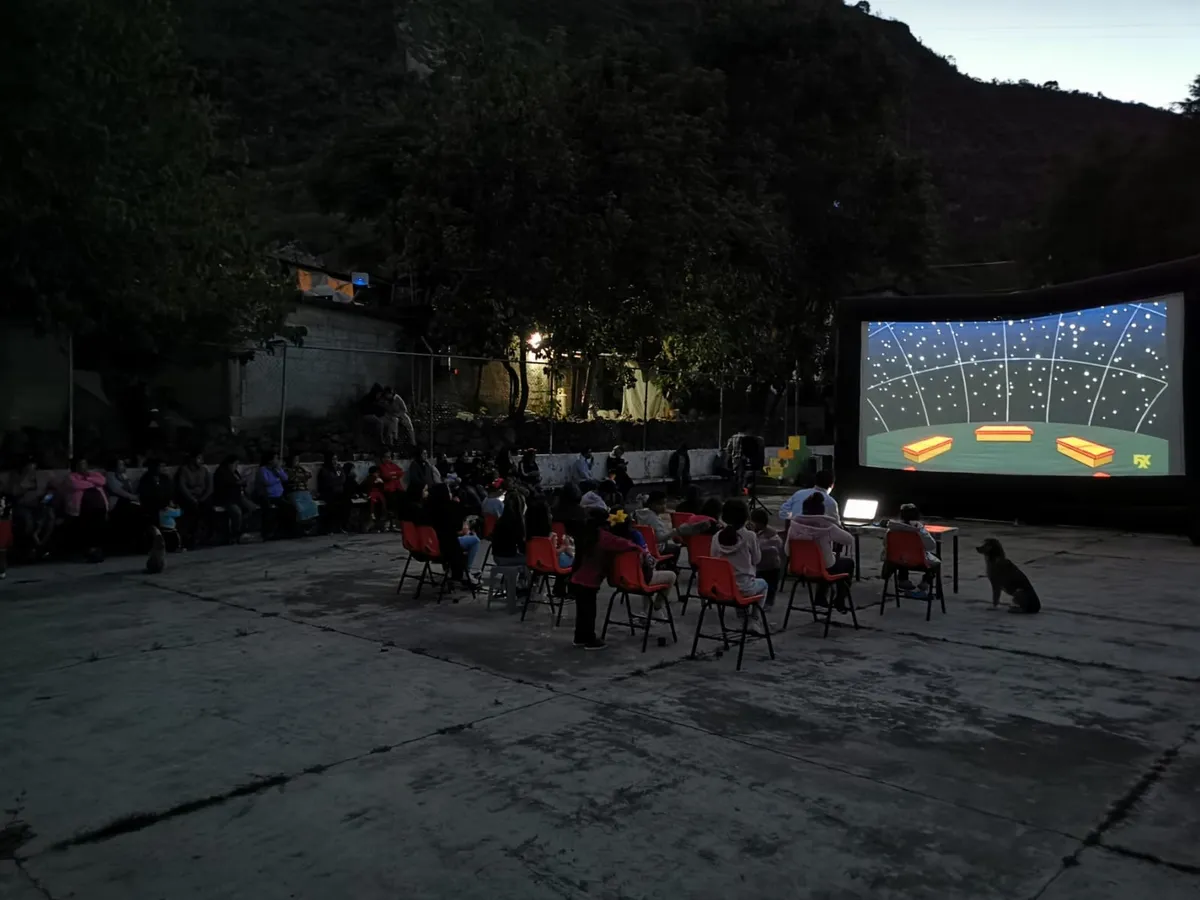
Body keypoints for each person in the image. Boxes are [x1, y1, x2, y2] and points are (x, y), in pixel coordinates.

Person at [568, 508, 643, 651]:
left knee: (582, 612)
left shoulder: (586, 534)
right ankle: (589, 639)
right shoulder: (604, 537)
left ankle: (579, 638)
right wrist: (639, 548)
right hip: (590, 581)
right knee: (589, 612)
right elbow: (626, 544)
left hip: (577, 577)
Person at [786, 492, 855, 611]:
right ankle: (839, 600)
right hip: (824, 569)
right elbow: (849, 540)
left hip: (800, 569)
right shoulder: (827, 526)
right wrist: (838, 528)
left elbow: (787, 551)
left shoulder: (794, 526)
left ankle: (821, 598)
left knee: (824, 563)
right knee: (846, 564)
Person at [710, 499, 766, 609]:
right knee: (764, 584)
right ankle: (755, 617)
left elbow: (713, 558)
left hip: (723, 587)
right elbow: (757, 560)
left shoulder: (716, 536)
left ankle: (742, 615)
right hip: (744, 588)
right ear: (745, 517)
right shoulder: (750, 536)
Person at [426, 482, 480, 587]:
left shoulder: (428, 506)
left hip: (430, 543)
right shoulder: (450, 507)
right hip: (445, 544)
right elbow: (459, 530)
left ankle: (454, 569)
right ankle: (466, 571)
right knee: (475, 540)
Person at [885, 503, 940, 600]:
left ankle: (903, 580)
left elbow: (885, 544)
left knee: (903, 555)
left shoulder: (891, 530)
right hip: (918, 562)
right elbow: (931, 546)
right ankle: (924, 584)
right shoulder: (919, 530)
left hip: (896, 561)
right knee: (937, 559)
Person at [5, 460, 56, 558]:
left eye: (34, 469)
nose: (32, 471)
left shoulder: (42, 477)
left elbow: (51, 490)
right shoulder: (16, 478)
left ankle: (41, 545)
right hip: (22, 506)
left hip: (40, 505)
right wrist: (25, 482)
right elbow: (14, 492)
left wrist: (47, 497)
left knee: (50, 517)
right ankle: (30, 548)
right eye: (29, 469)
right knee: (28, 522)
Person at [65, 457, 108, 561]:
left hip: (99, 506)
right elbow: (76, 485)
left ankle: (97, 550)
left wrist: (87, 479)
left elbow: (102, 481)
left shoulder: (94, 474)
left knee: (99, 527)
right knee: (87, 527)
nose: (83, 467)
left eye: (84, 464)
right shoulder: (71, 476)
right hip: (82, 507)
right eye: (80, 464)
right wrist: (93, 484)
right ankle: (89, 551)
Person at [175, 450, 213, 549]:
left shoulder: (205, 469)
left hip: (202, 497)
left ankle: (207, 537)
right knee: (192, 511)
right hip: (189, 497)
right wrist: (192, 499)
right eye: (199, 458)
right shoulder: (184, 470)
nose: (201, 461)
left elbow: (210, 487)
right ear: (192, 459)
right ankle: (191, 538)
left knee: (209, 509)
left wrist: (203, 498)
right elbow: (182, 487)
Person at [213, 456, 255, 543]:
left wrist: (242, 483)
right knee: (237, 512)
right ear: (229, 464)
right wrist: (237, 483)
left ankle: (242, 529)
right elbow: (224, 485)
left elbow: (239, 482)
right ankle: (235, 534)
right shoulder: (221, 472)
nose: (236, 466)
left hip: (237, 496)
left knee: (251, 508)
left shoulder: (234, 472)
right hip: (226, 498)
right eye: (235, 464)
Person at [748, 507, 784, 608]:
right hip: (758, 565)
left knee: (771, 585)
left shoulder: (771, 533)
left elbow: (778, 544)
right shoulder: (751, 533)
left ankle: (768, 602)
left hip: (771, 564)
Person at [634, 491, 682, 563]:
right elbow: (659, 538)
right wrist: (674, 532)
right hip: (655, 548)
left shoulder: (639, 513)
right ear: (651, 504)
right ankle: (667, 566)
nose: (664, 506)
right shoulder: (654, 519)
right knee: (676, 548)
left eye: (664, 503)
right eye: (660, 504)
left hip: (642, 545)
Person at [105, 458, 142, 549]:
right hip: (116, 503)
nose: (123, 466)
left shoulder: (123, 476)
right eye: (121, 464)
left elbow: (130, 489)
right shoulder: (110, 475)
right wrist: (132, 497)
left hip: (127, 501)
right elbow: (117, 490)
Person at [254, 451, 289, 538]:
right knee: (269, 512)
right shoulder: (263, 470)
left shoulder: (277, 469)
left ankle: (283, 531)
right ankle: (267, 533)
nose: (278, 460)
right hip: (268, 496)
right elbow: (267, 482)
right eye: (276, 458)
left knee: (288, 508)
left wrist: (279, 471)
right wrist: (277, 479)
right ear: (270, 460)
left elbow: (285, 478)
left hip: (279, 495)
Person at [282, 453, 319, 527]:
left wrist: (299, 477)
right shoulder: (286, 469)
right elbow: (291, 478)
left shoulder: (300, 468)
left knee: (312, 506)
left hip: (304, 491)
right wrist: (301, 477)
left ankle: (309, 524)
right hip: (294, 492)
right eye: (295, 460)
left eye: (298, 460)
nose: (297, 461)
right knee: (300, 508)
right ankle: (301, 524)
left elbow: (309, 475)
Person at [138, 458, 174, 525]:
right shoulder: (145, 479)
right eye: (161, 466)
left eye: (164, 466)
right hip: (152, 507)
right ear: (155, 467)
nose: (164, 468)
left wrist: (170, 502)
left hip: (165, 506)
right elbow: (145, 496)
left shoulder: (165, 478)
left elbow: (170, 491)